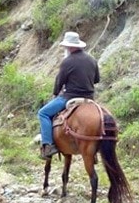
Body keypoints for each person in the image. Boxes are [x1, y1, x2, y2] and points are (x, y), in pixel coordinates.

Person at [37, 31, 100, 159]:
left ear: (69, 47)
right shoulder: (92, 60)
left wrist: (56, 93)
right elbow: (97, 79)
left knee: (43, 113)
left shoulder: (67, 61)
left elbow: (59, 81)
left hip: (69, 97)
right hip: (89, 99)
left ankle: (48, 145)